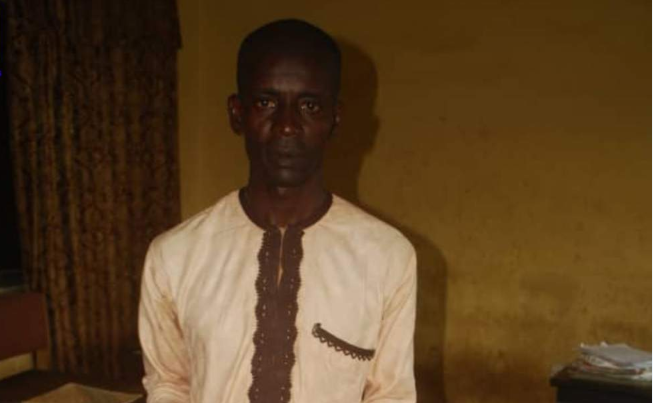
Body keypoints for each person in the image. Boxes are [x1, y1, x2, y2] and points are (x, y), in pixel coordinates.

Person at [138, 19, 417, 403]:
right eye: (266, 103)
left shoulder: (386, 257)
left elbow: (391, 395)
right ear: (237, 113)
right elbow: (168, 385)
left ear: (334, 118)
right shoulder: (174, 257)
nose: (287, 126)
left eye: (309, 106)